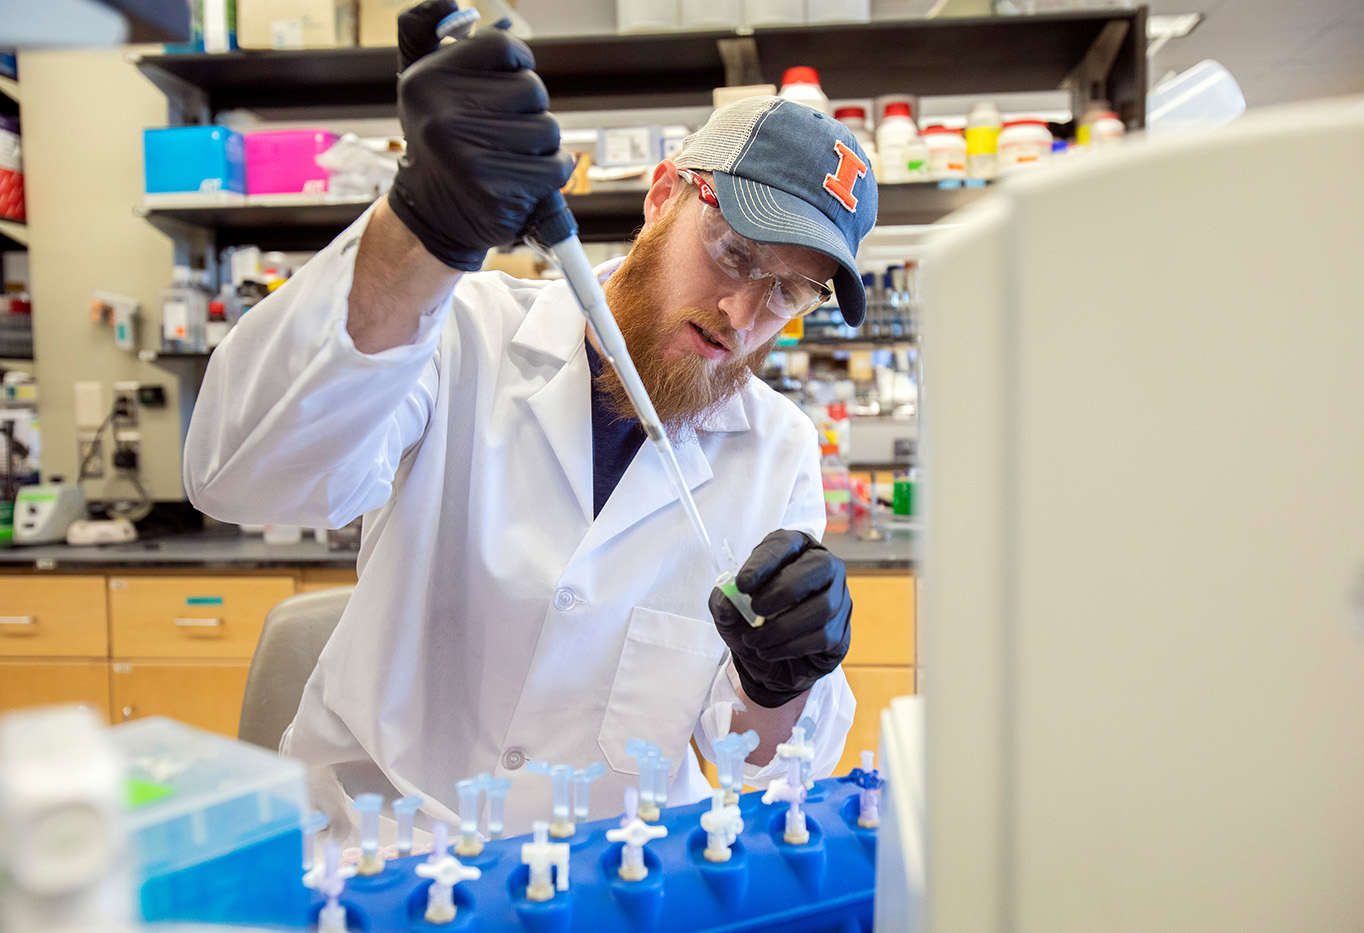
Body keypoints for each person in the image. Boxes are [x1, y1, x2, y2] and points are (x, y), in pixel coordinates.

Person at [183, 0, 879, 841]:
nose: (742, 310)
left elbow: (762, 765)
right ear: (663, 195)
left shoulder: (776, 449)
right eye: (735, 252)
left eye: (789, 294)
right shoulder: (454, 331)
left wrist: (780, 683)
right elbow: (240, 473)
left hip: (611, 878)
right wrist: (421, 231)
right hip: (385, 858)